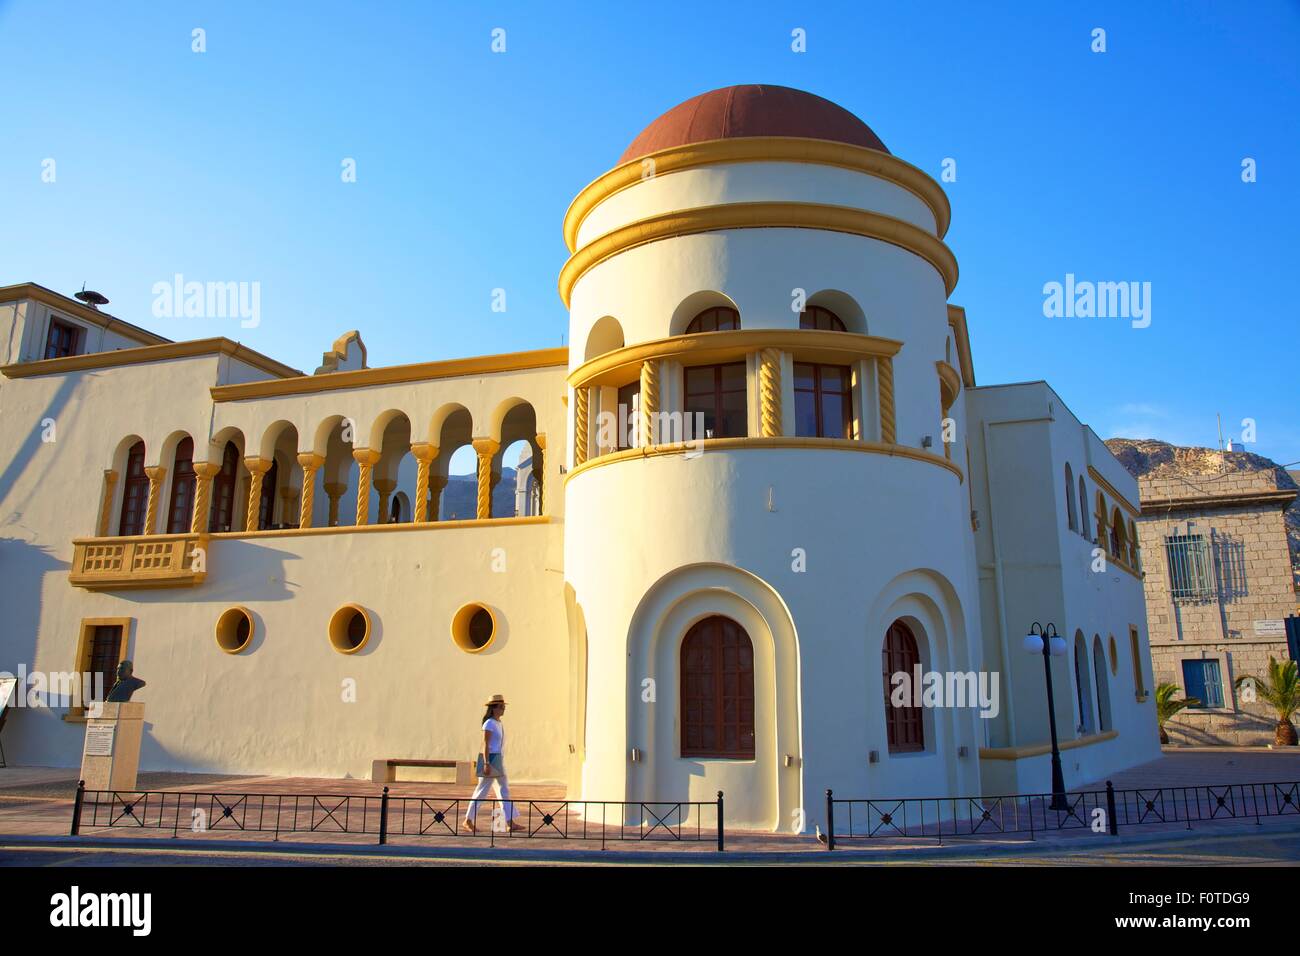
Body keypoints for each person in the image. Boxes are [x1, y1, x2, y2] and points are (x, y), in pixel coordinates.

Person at [463, 694, 523, 833]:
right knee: (482, 791)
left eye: (503, 707)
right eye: (501, 707)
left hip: (498, 759)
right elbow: (485, 743)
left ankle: (509, 822)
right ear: (494, 708)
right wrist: (486, 763)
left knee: (503, 790)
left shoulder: (498, 723)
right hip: (491, 760)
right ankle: (468, 820)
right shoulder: (489, 723)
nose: (503, 709)